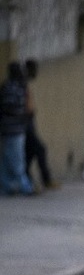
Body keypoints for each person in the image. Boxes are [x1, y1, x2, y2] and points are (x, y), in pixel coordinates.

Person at [23, 59, 58, 191]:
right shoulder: (21, 85)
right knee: (39, 149)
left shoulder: (24, 84)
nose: (36, 73)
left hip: (26, 126)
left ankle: (29, 179)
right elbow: (27, 107)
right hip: (24, 126)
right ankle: (44, 179)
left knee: (30, 153)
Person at [0, 62, 33, 196]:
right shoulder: (15, 88)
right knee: (17, 160)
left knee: (7, 159)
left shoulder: (7, 87)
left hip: (10, 129)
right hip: (15, 130)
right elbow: (15, 107)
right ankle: (25, 187)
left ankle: (7, 186)